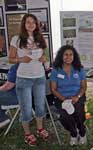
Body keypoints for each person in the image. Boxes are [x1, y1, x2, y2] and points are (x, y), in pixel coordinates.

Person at [8, 14, 49, 146]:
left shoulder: (41, 39)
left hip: (40, 77)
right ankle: (27, 134)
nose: (31, 25)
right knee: (25, 108)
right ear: (24, 25)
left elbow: (44, 57)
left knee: (40, 106)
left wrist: (44, 59)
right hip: (24, 78)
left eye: (33, 22)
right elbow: (10, 59)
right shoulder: (17, 39)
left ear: (37, 24)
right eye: (28, 22)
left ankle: (39, 128)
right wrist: (21, 59)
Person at [50, 45, 87, 146]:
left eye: (71, 54)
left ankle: (82, 132)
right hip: (61, 97)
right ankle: (74, 133)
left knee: (79, 110)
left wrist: (77, 97)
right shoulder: (56, 70)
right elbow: (53, 89)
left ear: (74, 56)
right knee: (64, 115)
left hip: (77, 96)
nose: (68, 57)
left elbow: (83, 87)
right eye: (65, 54)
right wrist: (64, 99)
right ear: (61, 56)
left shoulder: (79, 69)